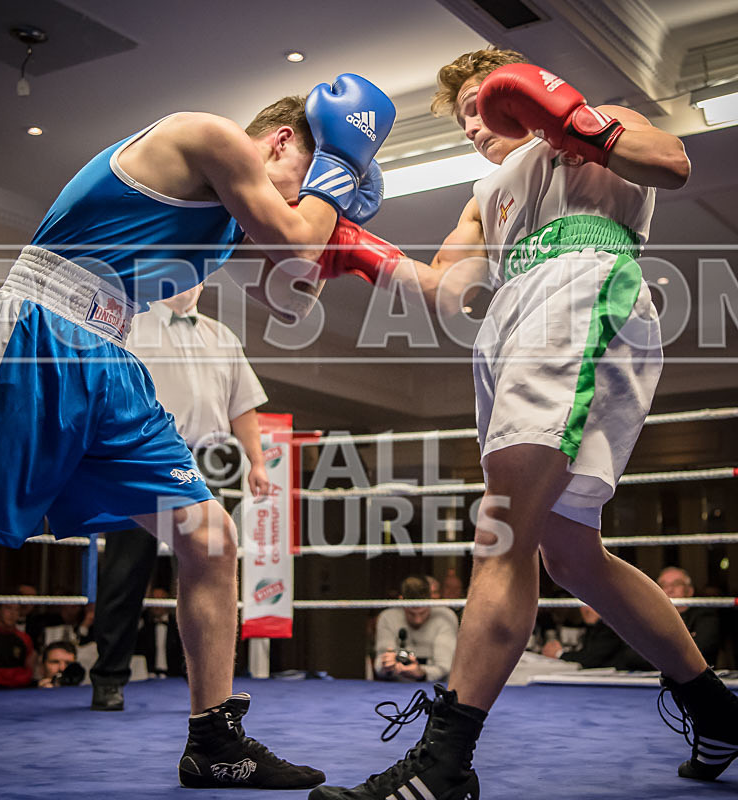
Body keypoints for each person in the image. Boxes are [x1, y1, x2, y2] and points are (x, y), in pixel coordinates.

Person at [0, 73, 397, 789]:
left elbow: (290, 296)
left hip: (114, 361)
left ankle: (214, 741)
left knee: (210, 539)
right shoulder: (206, 132)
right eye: (302, 175)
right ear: (280, 140)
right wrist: (331, 192)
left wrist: (332, 229)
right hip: (39, 333)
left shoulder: (222, 221)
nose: (296, 195)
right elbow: (293, 239)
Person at [310, 48, 738, 800]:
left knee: (502, 529)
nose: (478, 123)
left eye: (485, 101)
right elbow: (450, 291)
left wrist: (571, 120)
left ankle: (446, 761)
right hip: (514, 322)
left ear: (524, 87)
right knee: (569, 554)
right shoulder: (483, 193)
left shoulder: (599, 125)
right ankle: (718, 709)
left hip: (582, 289)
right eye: (466, 115)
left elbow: (671, 164)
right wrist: (359, 251)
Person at [89, 281, 269, 711]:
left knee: (209, 566)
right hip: (143, 456)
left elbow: (242, 406)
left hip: (210, 461)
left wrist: (258, 461)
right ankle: (109, 678)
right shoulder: (135, 322)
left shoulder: (222, 336)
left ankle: (206, 685)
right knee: (125, 571)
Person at [374, 576, 458, 683]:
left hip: (434, 687)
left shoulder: (445, 617)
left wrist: (422, 673)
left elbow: (444, 667)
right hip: (395, 687)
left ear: (431, 601)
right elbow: (379, 665)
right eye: (411, 613)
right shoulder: (387, 617)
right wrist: (386, 666)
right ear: (401, 602)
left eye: (423, 613)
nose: (418, 620)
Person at [542, 605, 627, 668]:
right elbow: (585, 654)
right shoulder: (592, 628)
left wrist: (559, 653)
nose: (586, 610)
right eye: (583, 605)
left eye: (591, 605)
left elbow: (590, 659)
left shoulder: (610, 628)